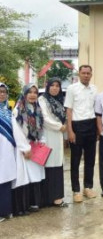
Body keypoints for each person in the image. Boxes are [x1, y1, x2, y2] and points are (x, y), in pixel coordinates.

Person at [65, 65, 97, 203]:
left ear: (91, 74)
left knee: (90, 160)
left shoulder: (94, 89)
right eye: (83, 73)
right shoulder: (72, 89)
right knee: (75, 160)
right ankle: (76, 190)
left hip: (91, 125)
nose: (86, 75)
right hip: (77, 126)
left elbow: (96, 109)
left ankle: (88, 187)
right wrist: (70, 131)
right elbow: (69, 111)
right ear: (79, 74)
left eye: (88, 73)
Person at [12, 84, 45, 212]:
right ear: (24, 94)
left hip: (36, 147)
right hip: (24, 148)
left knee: (36, 175)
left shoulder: (38, 109)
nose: (32, 95)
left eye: (35, 92)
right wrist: (25, 148)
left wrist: (42, 141)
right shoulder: (18, 110)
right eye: (30, 92)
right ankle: (24, 206)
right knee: (25, 176)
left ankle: (35, 203)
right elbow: (17, 131)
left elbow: (42, 128)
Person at [38, 78, 67, 207]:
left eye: (57, 86)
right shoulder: (42, 100)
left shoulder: (59, 101)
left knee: (57, 166)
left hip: (58, 136)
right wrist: (59, 126)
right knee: (49, 166)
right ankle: (47, 199)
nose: (55, 88)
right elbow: (44, 118)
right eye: (52, 85)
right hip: (48, 136)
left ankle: (57, 198)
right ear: (47, 86)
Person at [0, 83, 16, 222]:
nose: (2, 94)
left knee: (7, 178)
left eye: (4, 92)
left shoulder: (9, 111)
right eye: (0, 92)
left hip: (8, 149)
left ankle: (6, 210)